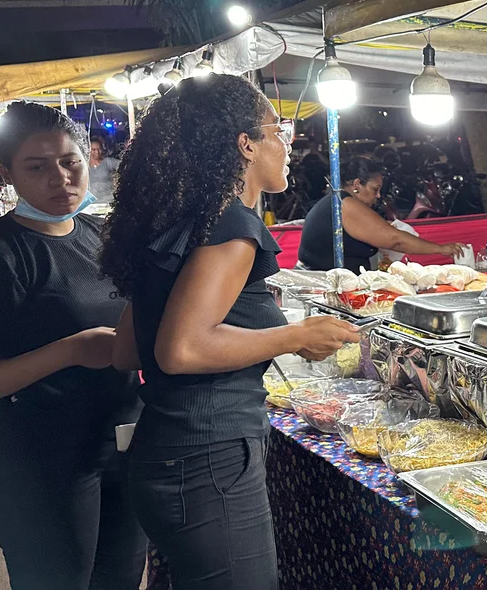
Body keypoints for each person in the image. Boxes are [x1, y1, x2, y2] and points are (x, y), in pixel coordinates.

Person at [98, 74, 360, 589]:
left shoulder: (179, 221)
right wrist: (294, 335)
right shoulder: (230, 227)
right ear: (246, 144)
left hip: (164, 457)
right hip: (207, 463)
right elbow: (181, 349)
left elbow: (127, 351)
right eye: (277, 130)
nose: (286, 144)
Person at [0, 101, 146, 589]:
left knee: (119, 579)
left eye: (69, 162)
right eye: (37, 167)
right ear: (7, 174)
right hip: (40, 459)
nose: (60, 179)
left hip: (120, 443)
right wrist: (70, 351)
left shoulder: (101, 234)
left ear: (88, 159)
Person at [298, 155, 466, 271]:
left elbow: (382, 232)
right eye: (375, 189)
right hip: (324, 287)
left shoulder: (338, 201)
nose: (378, 196)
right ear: (357, 184)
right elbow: (395, 240)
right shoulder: (345, 204)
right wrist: (441, 249)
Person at [88, 137, 121, 204]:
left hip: (108, 201)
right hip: (91, 203)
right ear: (89, 150)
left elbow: (124, 165)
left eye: (99, 149)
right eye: (94, 149)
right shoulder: (84, 166)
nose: (97, 152)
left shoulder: (107, 162)